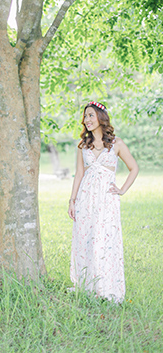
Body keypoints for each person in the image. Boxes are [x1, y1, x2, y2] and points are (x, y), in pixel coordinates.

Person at [68, 101, 138, 303]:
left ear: (100, 117)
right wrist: (72, 201)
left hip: (106, 200)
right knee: (86, 239)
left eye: (90, 115)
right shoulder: (83, 145)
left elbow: (134, 168)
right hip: (86, 198)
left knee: (105, 241)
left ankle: (108, 287)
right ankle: (88, 286)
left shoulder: (116, 144)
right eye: (85, 116)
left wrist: (122, 190)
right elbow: (79, 173)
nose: (86, 120)